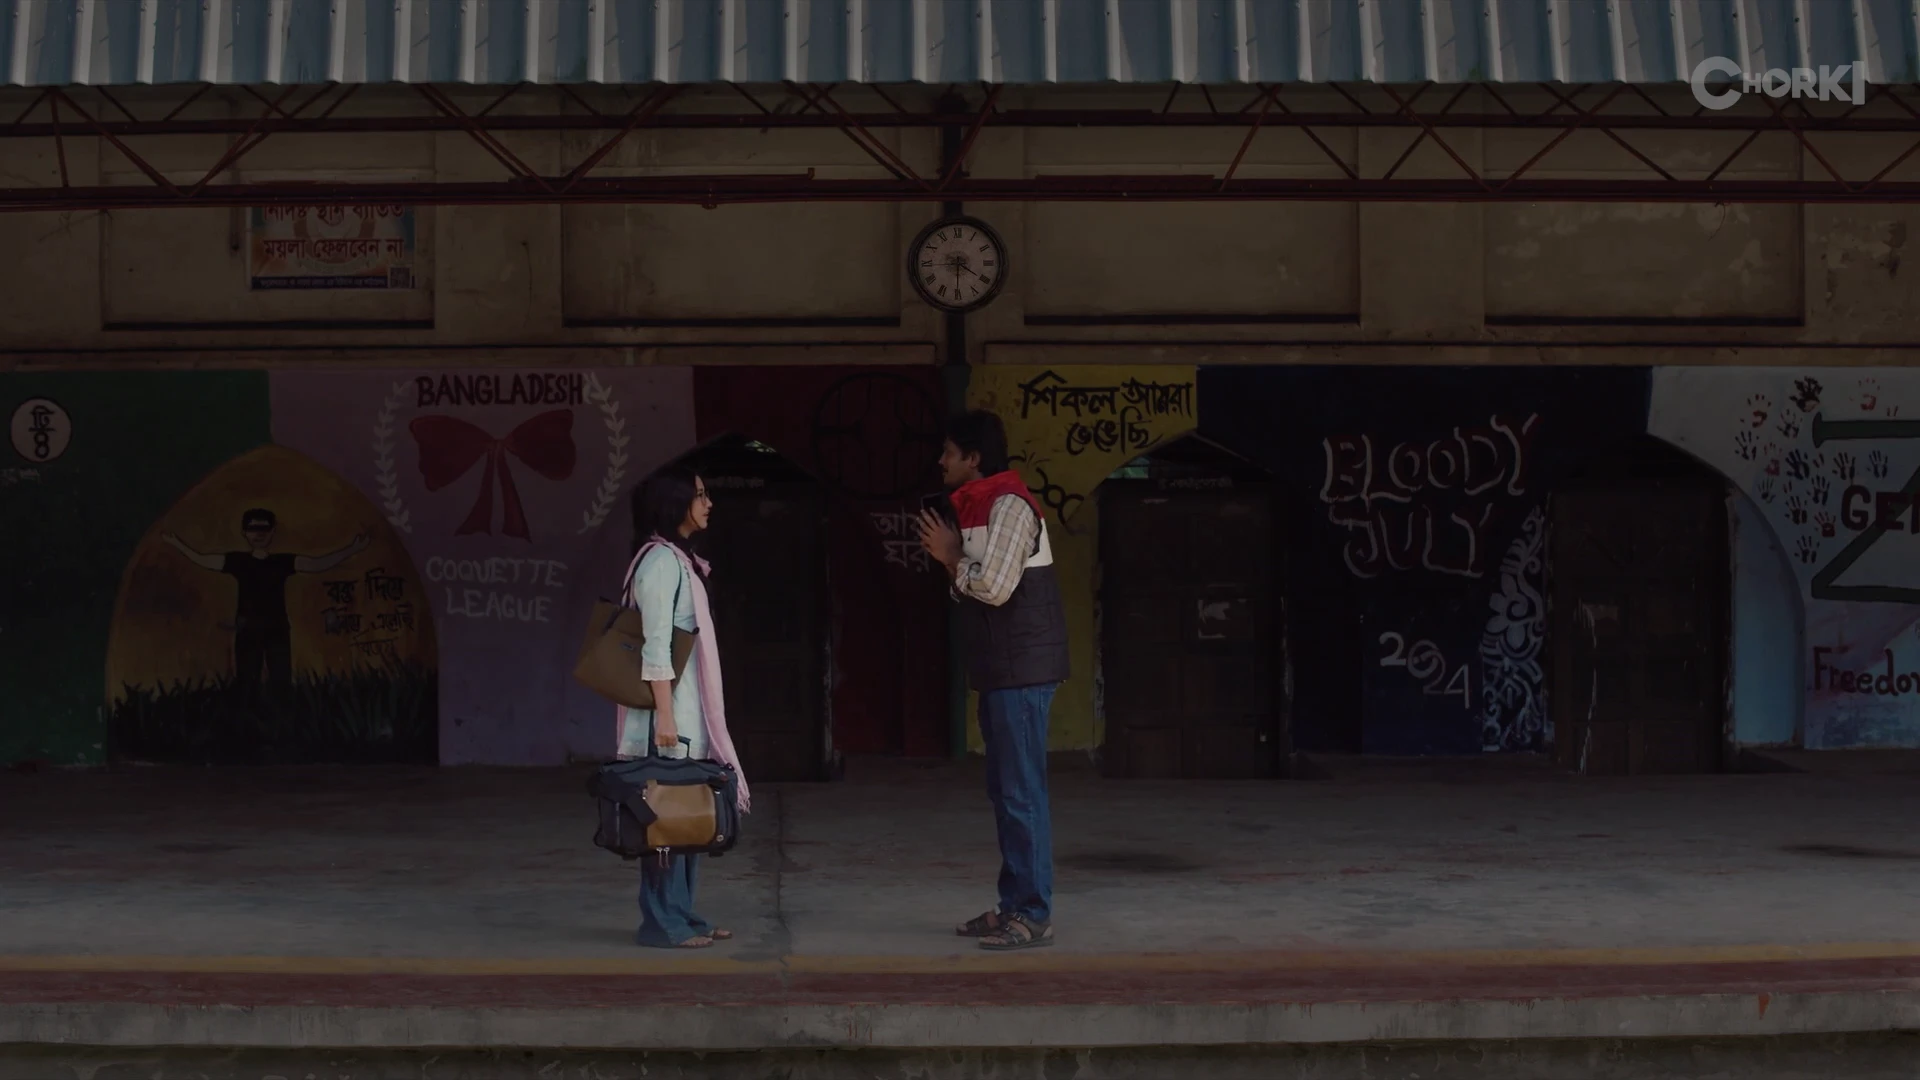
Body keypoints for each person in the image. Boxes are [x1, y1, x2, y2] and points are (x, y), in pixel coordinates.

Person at [916, 410, 1071, 952]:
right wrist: (954, 560)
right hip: (1004, 668)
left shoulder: (1008, 505)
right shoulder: (981, 506)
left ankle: (1033, 914)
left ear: (974, 458)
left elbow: (995, 589)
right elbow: (977, 584)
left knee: (1021, 793)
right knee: (1008, 792)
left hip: (1021, 670)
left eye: (949, 452)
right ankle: (1014, 906)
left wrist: (950, 556)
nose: (941, 462)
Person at [614, 466, 752, 949]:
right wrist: (666, 717)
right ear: (674, 503)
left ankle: (684, 915)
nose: (708, 502)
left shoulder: (680, 560)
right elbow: (655, 647)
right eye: (699, 494)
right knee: (663, 825)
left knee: (687, 818)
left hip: (683, 716)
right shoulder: (659, 563)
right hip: (665, 720)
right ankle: (661, 924)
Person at [162, 508, 368, 692]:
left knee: (281, 682)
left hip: (277, 628)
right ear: (244, 532)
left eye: (264, 529)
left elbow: (316, 564)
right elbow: (203, 559)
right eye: (253, 529)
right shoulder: (238, 561)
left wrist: (353, 549)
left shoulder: (282, 561)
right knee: (246, 683)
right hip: (247, 628)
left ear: (272, 531)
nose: (259, 534)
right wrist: (177, 543)